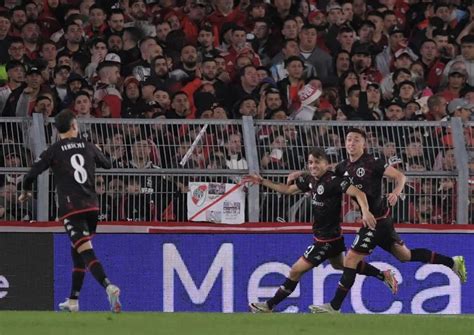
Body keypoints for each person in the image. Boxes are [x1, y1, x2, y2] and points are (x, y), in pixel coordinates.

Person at [309, 128, 467, 314]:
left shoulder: (373, 163)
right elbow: (323, 170)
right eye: (349, 139)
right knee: (405, 256)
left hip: (376, 220)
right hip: (381, 220)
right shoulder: (343, 167)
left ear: (364, 144)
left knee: (350, 259)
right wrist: (299, 175)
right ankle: (453, 262)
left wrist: (396, 192)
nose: (352, 143)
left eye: (356, 140)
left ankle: (334, 306)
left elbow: (400, 176)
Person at [244, 148, 397, 313]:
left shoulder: (333, 180)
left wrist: (366, 211)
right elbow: (287, 190)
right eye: (310, 162)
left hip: (327, 240)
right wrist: (262, 182)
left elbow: (358, 192)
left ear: (326, 164)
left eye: (317, 162)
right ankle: (383, 275)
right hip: (330, 237)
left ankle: (269, 306)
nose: (313, 166)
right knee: (343, 266)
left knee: (295, 270)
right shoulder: (311, 180)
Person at [18, 110, 121, 313]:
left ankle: (109, 286)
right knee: (78, 252)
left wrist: (26, 191)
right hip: (92, 208)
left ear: (57, 130)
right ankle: (73, 301)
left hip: (71, 209)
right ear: (74, 125)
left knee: (86, 251)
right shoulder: (88, 145)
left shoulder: (54, 150)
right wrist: (99, 151)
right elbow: (108, 165)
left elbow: (30, 174)